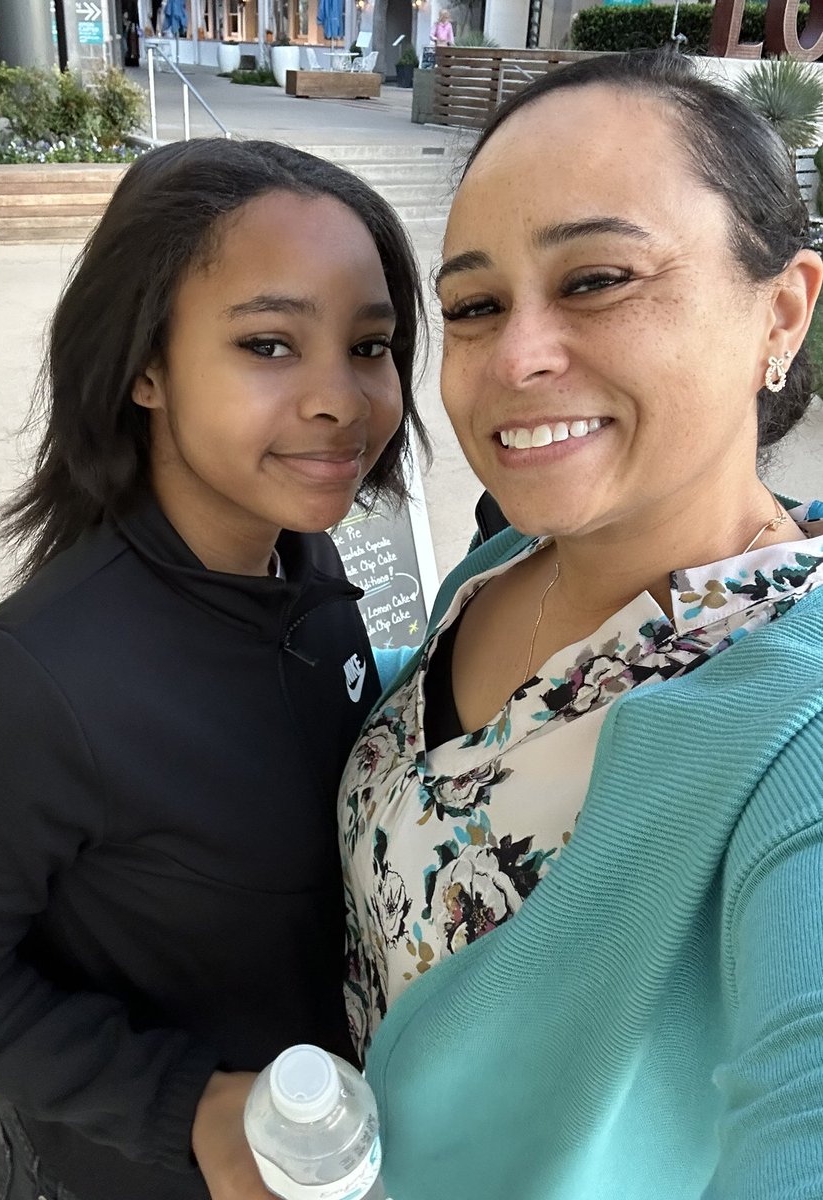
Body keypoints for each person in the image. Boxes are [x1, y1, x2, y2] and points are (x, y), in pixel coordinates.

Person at [340, 50, 823, 1199]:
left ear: (784, 310)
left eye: (599, 278)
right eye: (473, 305)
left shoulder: (796, 716)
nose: (516, 358)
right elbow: (458, 750)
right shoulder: (514, 556)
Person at [0, 136, 427, 1200]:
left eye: (371, 344)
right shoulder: (27, 686)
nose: (342, 399)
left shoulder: (308, 559)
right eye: (270, 345)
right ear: (146, 364)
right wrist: (185, 1106)